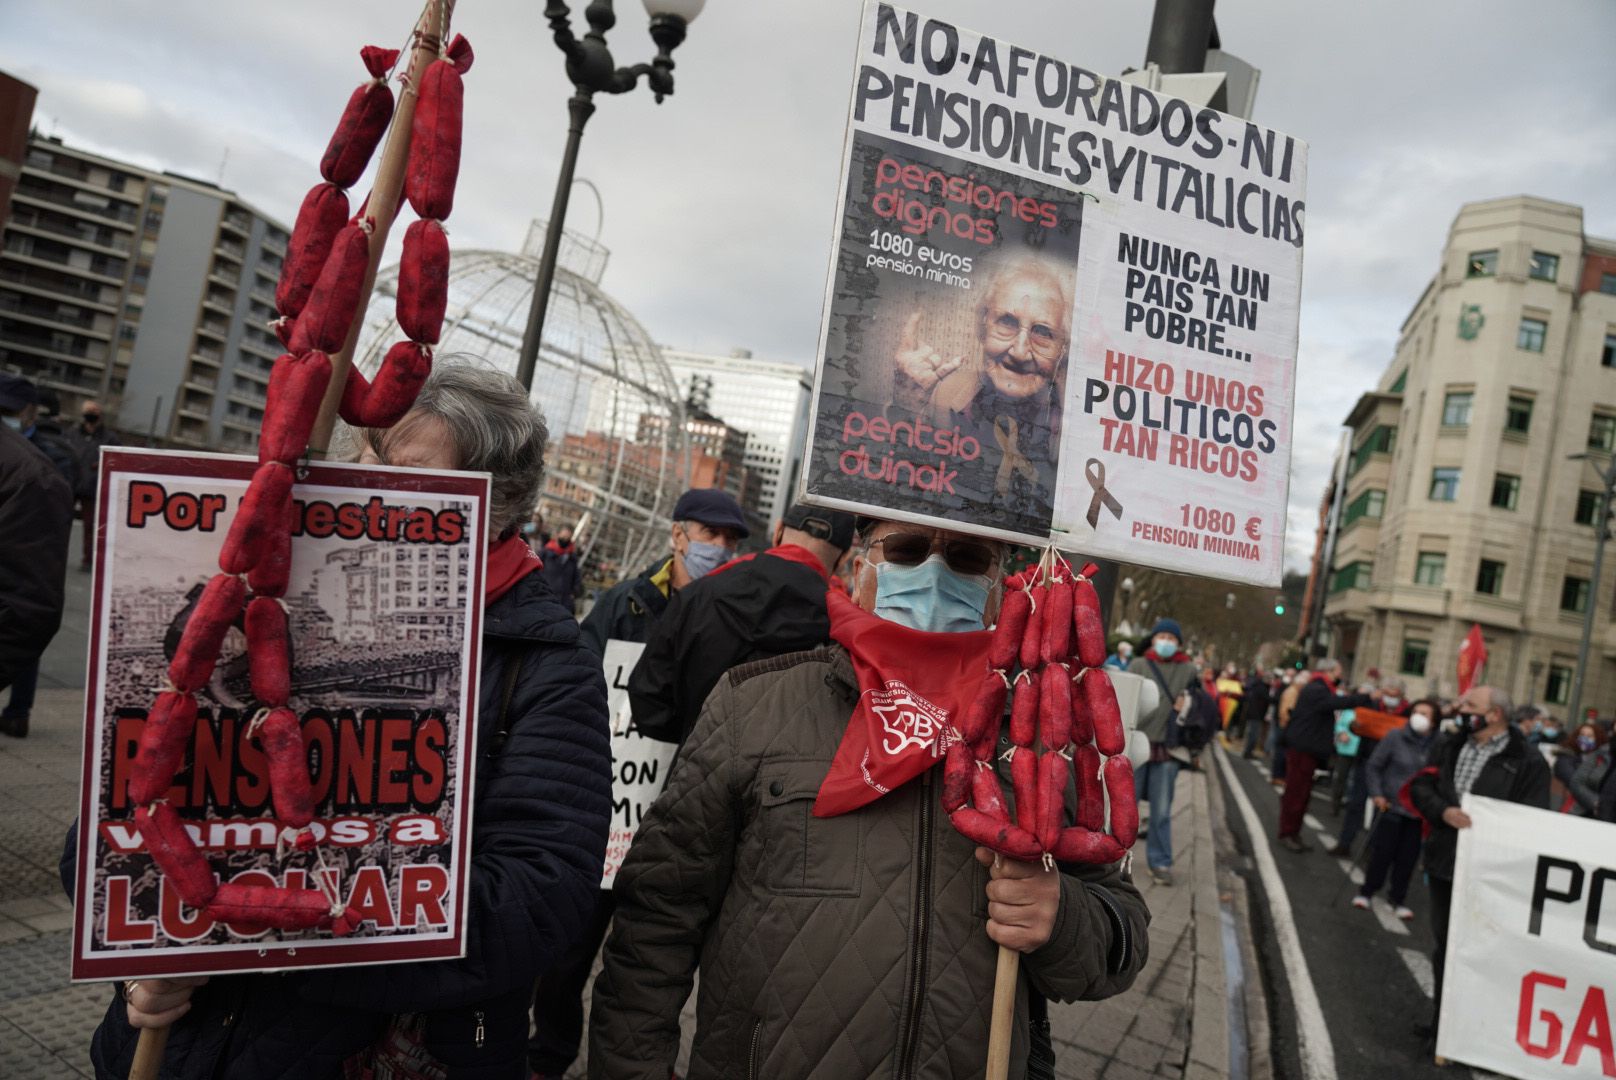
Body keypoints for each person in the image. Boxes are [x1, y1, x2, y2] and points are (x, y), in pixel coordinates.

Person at [74, 363, 615, 1076]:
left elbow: (536, 902)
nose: (365, 484)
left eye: (404, 470)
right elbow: (113, 830)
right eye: (365, 455)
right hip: (188, 1040)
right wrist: (144, 951)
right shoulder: (269, 604)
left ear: (497, 502)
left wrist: (265, 940)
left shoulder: (541, 660)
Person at [587, 519, 1149, 1079]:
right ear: (860, 574)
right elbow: (655, 922)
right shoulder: (752, 705)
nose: (934, 573)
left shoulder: (1042, 744)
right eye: (906, 551)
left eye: (967, 557)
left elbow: (1122, 932)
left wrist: (1064, 918)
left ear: (1000, 589)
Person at [528, 504, 854, 1079]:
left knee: (650, 949)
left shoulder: (708, 594)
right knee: (744, 966)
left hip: (686, 803)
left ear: (777, 533)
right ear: (849, 559)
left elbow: (649, 704)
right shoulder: (844, 618)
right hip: (785, 828)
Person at [628, 502, 856, 745]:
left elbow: (648, 699)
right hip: (791, 779)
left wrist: (696, 735)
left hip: (697, 768)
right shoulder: (843, 624)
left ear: (777, 530)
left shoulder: (700, 594)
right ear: (844, 558)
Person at [1408, 683, 1550, 1050]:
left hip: (1491, 873)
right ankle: (1442, 1023)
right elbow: (1422, 787)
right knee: (1444, 943)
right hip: (1444, 861)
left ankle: (1472, 1033)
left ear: (1495, 715)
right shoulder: (1451, 745)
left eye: (1470, 704)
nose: (1460, 708)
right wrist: (1443, 811)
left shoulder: (1528, 761)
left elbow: (1533, 819)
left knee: (1480, 950)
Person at [891, 258, 1070, 532]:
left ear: (1062, 350)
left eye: (1042, 332)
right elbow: (895, 486)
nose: (1020, 352)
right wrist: (907, 404)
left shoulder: (1078, 435)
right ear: (982, 329)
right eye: (1007, 323)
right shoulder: (939, 398)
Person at [577, 488, 747, 657]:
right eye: (711, 532)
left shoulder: (738, 618)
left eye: (731, 538)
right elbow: (581, 666)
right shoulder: (625, 602)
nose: (721, 546)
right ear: (678, 535)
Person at [0, 374, 76, 738]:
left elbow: (28, 610)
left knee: (24, 641)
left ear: (30, 412)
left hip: (28, 561)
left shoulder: (37, 468)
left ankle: (18, 710)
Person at [1128, 618, 1201, 885]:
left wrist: (1189, 707)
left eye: (1172, 638)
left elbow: (1201, 706)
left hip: (1169, 749)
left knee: (1160, 811)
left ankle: (1160, 862)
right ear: (1154, 638)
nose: (1166, 642)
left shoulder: (1189, 670)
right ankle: (1112, 859)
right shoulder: (1138, 665)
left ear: (1179, 643)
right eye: (1163, 637)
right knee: (1126, 806)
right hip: (1137, 743)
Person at [1351, 698, 1438, 920]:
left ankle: (1398, 898)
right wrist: (1377, 794)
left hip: (1419, 812)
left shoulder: (1439, 745)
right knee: (1382, 853)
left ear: (1434, 721)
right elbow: (1374, 766)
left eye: (1425, 714)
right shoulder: (1395, 737)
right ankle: (1367, 892)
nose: (1419, 716)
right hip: (1391, 805)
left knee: (1408, 858)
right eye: (1417, 712)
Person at [1275, 659, 1373, 853]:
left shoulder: (1318, 688)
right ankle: (1287, 832)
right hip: (1303, 748)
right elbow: (1334, 704)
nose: (1340, 676)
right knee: (1296, 794)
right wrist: (1361, 697)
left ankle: (1293, 832)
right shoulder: (1316, 689)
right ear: (1328, 671)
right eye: (1338, 672)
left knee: (1301, 795)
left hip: (1308, 749)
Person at [64, 397, 120, 571]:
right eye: (88, 411)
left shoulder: (109, 438)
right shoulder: (71, 434)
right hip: (71, 484)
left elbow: (116, 460)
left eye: (94, 411)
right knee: (61, 522)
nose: (90, 415)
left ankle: (88, 560)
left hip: (94, 487)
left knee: (91, 527)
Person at [1567, 723, 1611, 816]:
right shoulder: (1599, 756)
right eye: (1582, 735)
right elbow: (1576, 781)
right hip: (1584, 809)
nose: (1585, 738)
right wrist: (1597, 803)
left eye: (1589, 736)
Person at [539, 524, 584, 612]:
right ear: (557, 535)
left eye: (568, 538)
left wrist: (574, 593)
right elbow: (536, 572)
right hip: (544, 598)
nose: (565, 540)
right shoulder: (545, 552)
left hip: (564, 603)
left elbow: (577, 578)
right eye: (563, 537)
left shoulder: (572, 558)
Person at [1239, 666, 1273, 759]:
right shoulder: (1261, 687)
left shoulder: (1257, 685)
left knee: (1252, 734)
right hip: (1256, 714)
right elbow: (1268, 699)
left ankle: (1248, 751)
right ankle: (1248, 752)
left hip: (1255, 713)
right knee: (1253, 734)